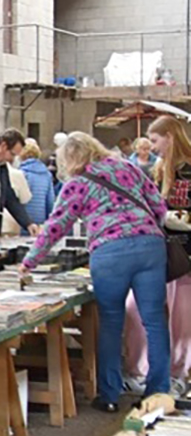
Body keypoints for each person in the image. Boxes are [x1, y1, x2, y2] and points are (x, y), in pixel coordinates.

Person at [20, 131, 170, 412]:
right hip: (151, 246)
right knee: (155, 322)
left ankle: (110, 396)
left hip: (110, 252)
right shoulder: (129, 167)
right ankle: (158, 393)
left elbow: (56, 226)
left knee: (111, 323)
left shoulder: (77, 184)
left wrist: (29, 261)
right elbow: (159, 207)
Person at [125, 115, 191, 395]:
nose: (151, 147)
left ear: (170, 137)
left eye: (154, 140)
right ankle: (140, 371)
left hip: (184, 257)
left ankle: (179, 374)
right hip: (159, 254)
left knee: (182, 320)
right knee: (136, 310)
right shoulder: (159, 169)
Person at [18, 140, 56, 229]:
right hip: (40, 222)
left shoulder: (21, 174)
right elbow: (50, 201)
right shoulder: (47, 175)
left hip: (23, 222)